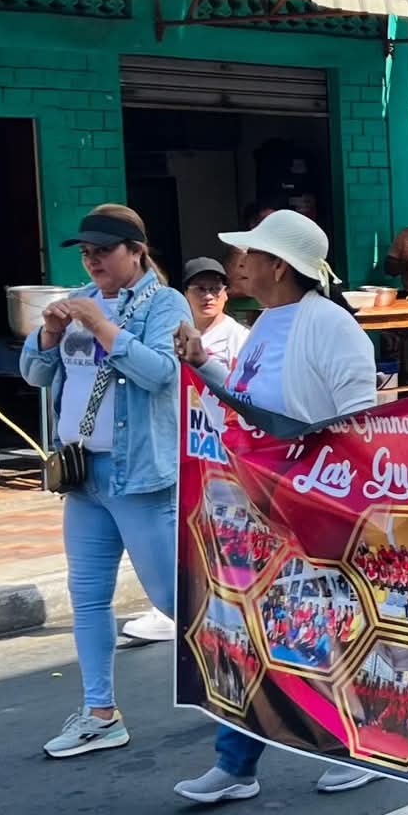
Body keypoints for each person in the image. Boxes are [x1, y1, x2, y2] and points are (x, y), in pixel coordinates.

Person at [170, 210, 381, 801]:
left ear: (280, 267)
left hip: (315, 506)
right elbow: (245, 399)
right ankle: (235, 762)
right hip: (261, 504)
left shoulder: (330, 326)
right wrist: (202, 363)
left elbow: (362, 423)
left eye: (251, 255)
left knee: (322, 629)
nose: (240, 264)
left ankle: (351, 746)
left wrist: (327, 490)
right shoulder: (265, 323)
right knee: (248, 631)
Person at [23, 208, 193, 756]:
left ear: (136, 251)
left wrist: (101, 326)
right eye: (86, 253)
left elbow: (162, 374)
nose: (93, 261)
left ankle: (250, 680)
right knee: (89, 596)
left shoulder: (165, 303)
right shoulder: (78, 300)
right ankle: (100, 713)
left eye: (103, 250)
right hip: (84, 476)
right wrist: (49, 334)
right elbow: (34, 374)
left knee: (174, 598)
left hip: (138, 475)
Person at [123, 256, 249, 646]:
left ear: (226, 294)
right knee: (181, 528)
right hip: (181, 442)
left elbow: (244, 395)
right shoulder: (170, 331)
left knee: (223, 530)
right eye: (200, 288)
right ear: (185, 293)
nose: (208, 296)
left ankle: (223, 609)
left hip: (222, 447)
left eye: (216, 288)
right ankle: (174, 604)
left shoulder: (239, 338)